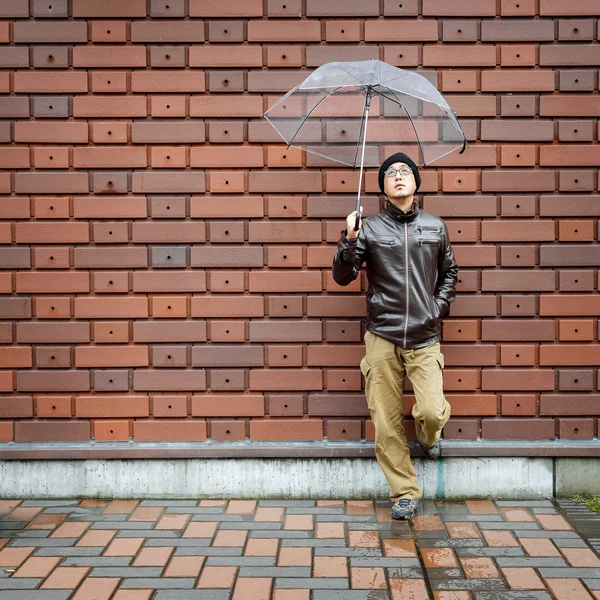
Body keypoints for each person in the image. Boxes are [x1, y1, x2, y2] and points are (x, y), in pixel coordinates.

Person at [332, 152, 458, 520]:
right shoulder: (368, 227)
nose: (399, 176)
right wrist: (349, 238)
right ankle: (404, 491)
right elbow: (344, 276)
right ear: (383, 189)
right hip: (382, 336)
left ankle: (430, 438)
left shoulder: (435, 226)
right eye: (391, 173)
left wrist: (436, 308)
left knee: (433, 412)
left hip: (425, 334)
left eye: (405, 171)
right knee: (386, 421)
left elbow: (450, 273)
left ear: (416, 183)